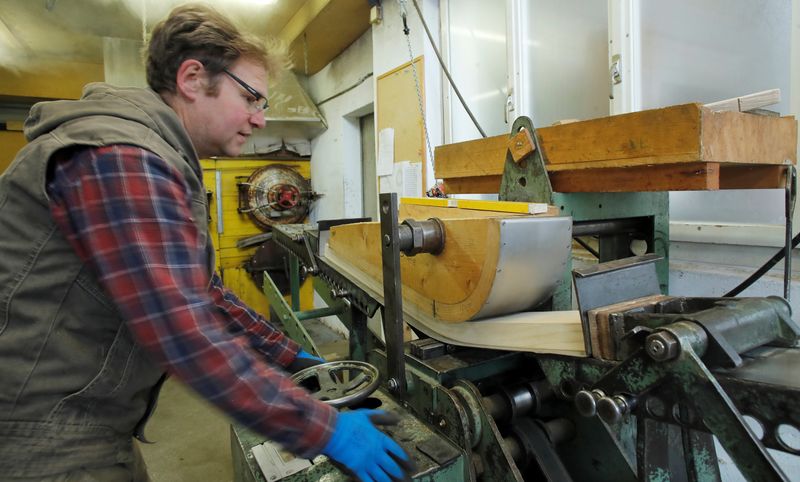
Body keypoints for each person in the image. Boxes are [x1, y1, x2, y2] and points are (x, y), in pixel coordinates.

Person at [0, 4, 413, 481]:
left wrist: (289, 356)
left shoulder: (156, 158)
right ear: (193, 79)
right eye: (253, 98)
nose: (260, 119)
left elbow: (205, 294)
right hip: (40, 432)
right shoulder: (120, 157)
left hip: (89, 422)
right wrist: (324, 430)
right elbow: (183, 329)